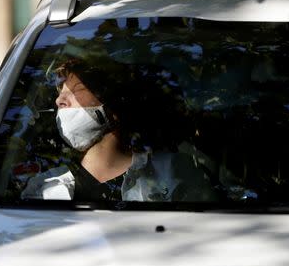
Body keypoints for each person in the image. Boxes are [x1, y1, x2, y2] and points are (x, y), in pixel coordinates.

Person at [22, 58, 218, 202]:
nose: (59, 100)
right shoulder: (42, 189)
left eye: (76, 90)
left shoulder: (173, 172)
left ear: (112, 105)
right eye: (60, 93)